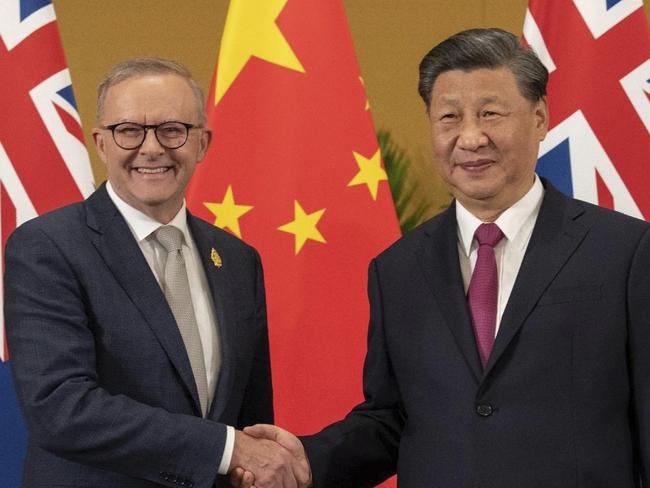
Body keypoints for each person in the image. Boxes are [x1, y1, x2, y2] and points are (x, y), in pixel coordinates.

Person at [231, 28, 650, 487]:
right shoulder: (398, 269)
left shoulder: (625, 252)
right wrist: (309, 460)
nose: (470, 138)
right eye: (449, 117)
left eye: (490, 113)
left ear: (540, 118)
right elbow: (392, 420)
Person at [5, 58, 309, 488]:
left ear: (202, 143)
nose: (152, 148)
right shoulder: (47, 247)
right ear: (100, 143)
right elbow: (60, 407)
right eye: (129, 130)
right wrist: (227, 448)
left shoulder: (238, 260)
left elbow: (250, 420)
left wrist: (252, 457)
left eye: (173, 129)